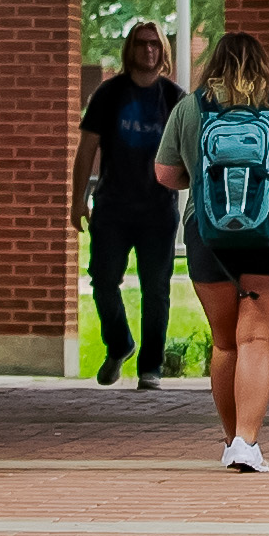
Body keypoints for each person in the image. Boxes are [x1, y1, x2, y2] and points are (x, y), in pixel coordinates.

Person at [152, 29, 269, 473]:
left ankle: (231, 439)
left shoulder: (190, 108)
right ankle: (247, 444)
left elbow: (164, 174)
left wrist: (202, 178)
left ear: (214, 63)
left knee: (226, 341)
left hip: (208, 231)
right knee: (259, 338)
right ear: (264, 64)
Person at [73, 22, 184, 385]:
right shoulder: (109, 94)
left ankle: (151, 367)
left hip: (158, 209)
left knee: (157, 288)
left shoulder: (174, 98)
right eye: (141, 44)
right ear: (130, 49)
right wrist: (78, 200)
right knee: (103, 281)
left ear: (163, 51)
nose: (148, 50)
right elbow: (86, 148)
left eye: (155, 44)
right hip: (113, 205)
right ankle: (119, 344)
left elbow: (190, 152)